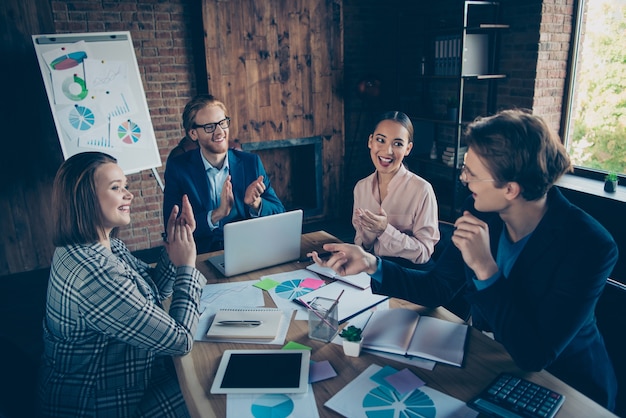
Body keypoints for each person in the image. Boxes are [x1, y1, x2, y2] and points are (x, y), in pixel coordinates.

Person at [310, 109, 619, 411]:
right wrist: (371, 263)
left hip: (566, 388)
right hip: (492, 361)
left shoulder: (589, 245)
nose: (463, 178)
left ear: (510, 189)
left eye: (472, 173)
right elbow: (437, 287)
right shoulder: (481, 209)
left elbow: (534, 356)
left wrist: (486, 268)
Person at [39, 152, 206, 417]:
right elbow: (180, 340)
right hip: (99, 405)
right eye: (116, 188)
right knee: (208, 387)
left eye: (125, 186)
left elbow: (152, 293)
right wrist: (187, 266)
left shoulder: (103, 247)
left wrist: (175, 250)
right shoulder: (95, 273)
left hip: (125, 382)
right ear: (84, 198)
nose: (128, 195)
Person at [163, 94, 285, 253]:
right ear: (193, 134)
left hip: (248, 250)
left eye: (222, 123)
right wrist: (216, 214)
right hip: (200, 255)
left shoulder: (250, 163)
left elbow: (279, 212)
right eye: (209, 127)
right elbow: (172, 229)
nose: (219, 132)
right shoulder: (178, 168)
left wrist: (256, 203)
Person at [352, 111, 439, 269]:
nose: (387, 151)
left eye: (397, 144)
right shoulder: (361, 188)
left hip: (408, 273)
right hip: (371, 270)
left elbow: (424, 252)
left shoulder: (422, 190)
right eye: (380, 140)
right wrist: (368, 234)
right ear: (370, 141)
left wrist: (385, 230)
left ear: (408, 148)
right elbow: (361, 244)